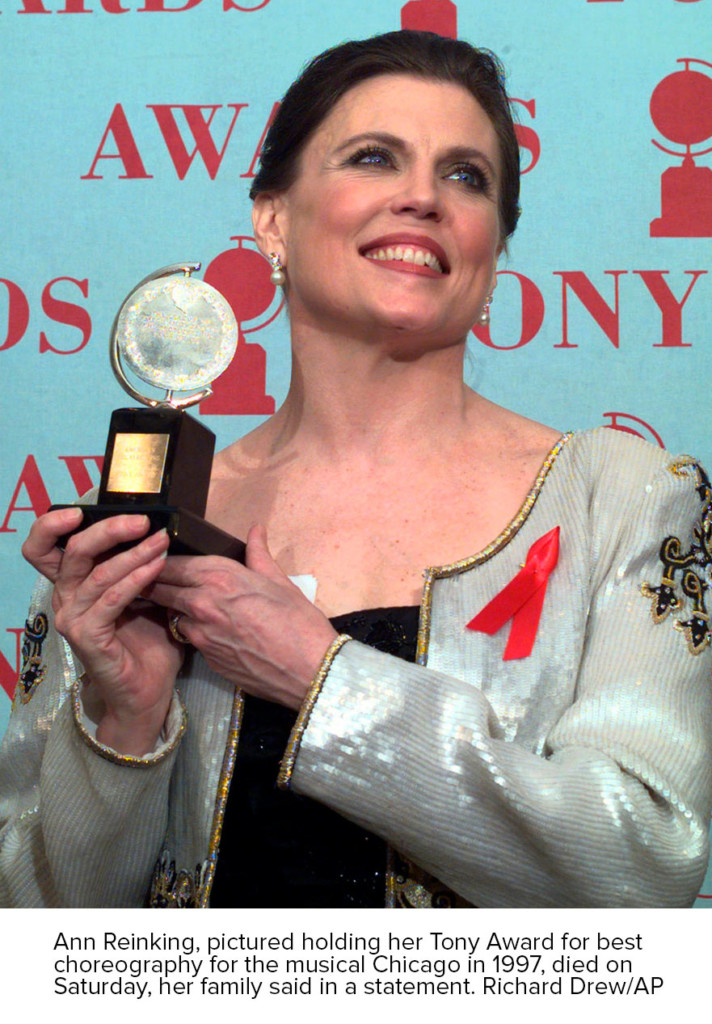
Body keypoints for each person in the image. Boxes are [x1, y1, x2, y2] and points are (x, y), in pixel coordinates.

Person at [1, 29, 711, 909]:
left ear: (495, 252)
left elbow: (643, 865)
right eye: (374, 158)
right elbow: (37, 937)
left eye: (466, 176)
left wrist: (322, 678)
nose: (422, 197)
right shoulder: (137, 525)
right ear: (272, 218)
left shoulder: (626, 497)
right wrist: (125, 722)